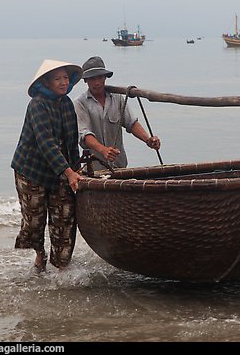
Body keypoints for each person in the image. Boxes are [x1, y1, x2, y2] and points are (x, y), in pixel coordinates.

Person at [11, 59, 84, 273]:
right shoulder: (37, 105)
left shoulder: (67, 103)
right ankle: (40, 255)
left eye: (65, 78)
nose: (63, 83)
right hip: (32, 170)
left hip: (61, 169)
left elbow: (71, 141)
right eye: (57, 79)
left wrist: (76, 169)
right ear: (47, 82)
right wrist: (69, 172)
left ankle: (61, 264)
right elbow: (46, 144)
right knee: (34, 220)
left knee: (65, 216)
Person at [73, 56, 161, 171]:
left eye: (99, 77)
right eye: (92, 79)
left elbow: (131, 123)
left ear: (105, 77)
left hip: (119, 166)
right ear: (85, 80)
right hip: (94, 168)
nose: (97, 83)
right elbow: (85, 135)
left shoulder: (117, 98)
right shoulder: (80, 103)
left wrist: (148, 140)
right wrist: (103, 150)